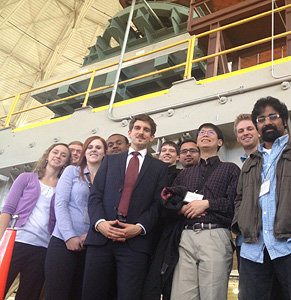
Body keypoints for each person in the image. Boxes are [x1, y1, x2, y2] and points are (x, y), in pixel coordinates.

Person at [232, 97, 291, 300]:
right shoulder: (250, 162)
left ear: (284, 120)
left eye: (272, 116)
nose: (267, 122)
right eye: (261, 118)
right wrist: (241, 222)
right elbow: (239, 199)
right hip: (254, 248)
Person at [82, 114, 168, 300]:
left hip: (134, 244)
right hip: (101, 239)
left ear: (152, 137)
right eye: (137, 128)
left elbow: (157, 204)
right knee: (92, 293)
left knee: (129, 295)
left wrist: (139, 228)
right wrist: (100, 223)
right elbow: (95, 196)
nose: (141, 132)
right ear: (130, 133)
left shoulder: (159, 168)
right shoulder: (110, 161)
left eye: (146, 130)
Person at [170, 123, 241, 300]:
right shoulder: (185, 174)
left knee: (212, 294)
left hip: (215, 233)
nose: (205, 134)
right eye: (201, 132)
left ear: (220, 142)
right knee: (181, 295)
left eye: (210, 132)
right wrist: (181, 208)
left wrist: (207, 204)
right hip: (185, 236)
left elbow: (234, 203)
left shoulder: (231, 169)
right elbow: (171, 200)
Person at [0, 143, 70, 300]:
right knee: (1, 285)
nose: (58, 156)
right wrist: (1, 240)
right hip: (16, 241)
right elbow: (8, 209)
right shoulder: (26, 178)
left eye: (63, 155)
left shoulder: (63, 188)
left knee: (29, 293)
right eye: (55, 152)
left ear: (66, 162)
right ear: (47, 155)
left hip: (43, 247)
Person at [45, 136, 107, 300]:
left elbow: (107, 210)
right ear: (85, 152)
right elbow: (61, 204)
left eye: (98, 147)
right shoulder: (71, 171)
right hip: (63, 241)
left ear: (104, 153)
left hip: (91, 244)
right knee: (56, 294)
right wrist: (70, 236)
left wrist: (92, 235)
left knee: (79, 294)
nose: (94, 150)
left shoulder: (108, 179)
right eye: (90, 147)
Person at [233, 113, 260, 271]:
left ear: (258, 132)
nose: (245, 133)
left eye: (250, 128)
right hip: (245, 240)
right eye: (241, 131)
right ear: (237, 137)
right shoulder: (241, 166)